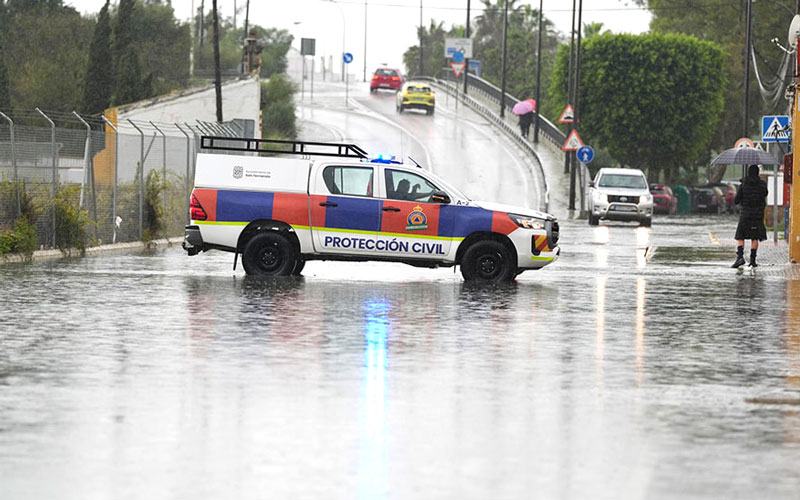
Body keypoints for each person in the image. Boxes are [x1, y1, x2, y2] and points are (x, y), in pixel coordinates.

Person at [731, 164, 768, 268]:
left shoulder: (744, 184)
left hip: (745, 214)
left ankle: (740, 258)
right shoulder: (762, 184)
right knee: (755, 237)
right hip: (758, 215)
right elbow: (765, 194)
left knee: (740, 236)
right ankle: (753, 260)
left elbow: (736, 200)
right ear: (758, 173)